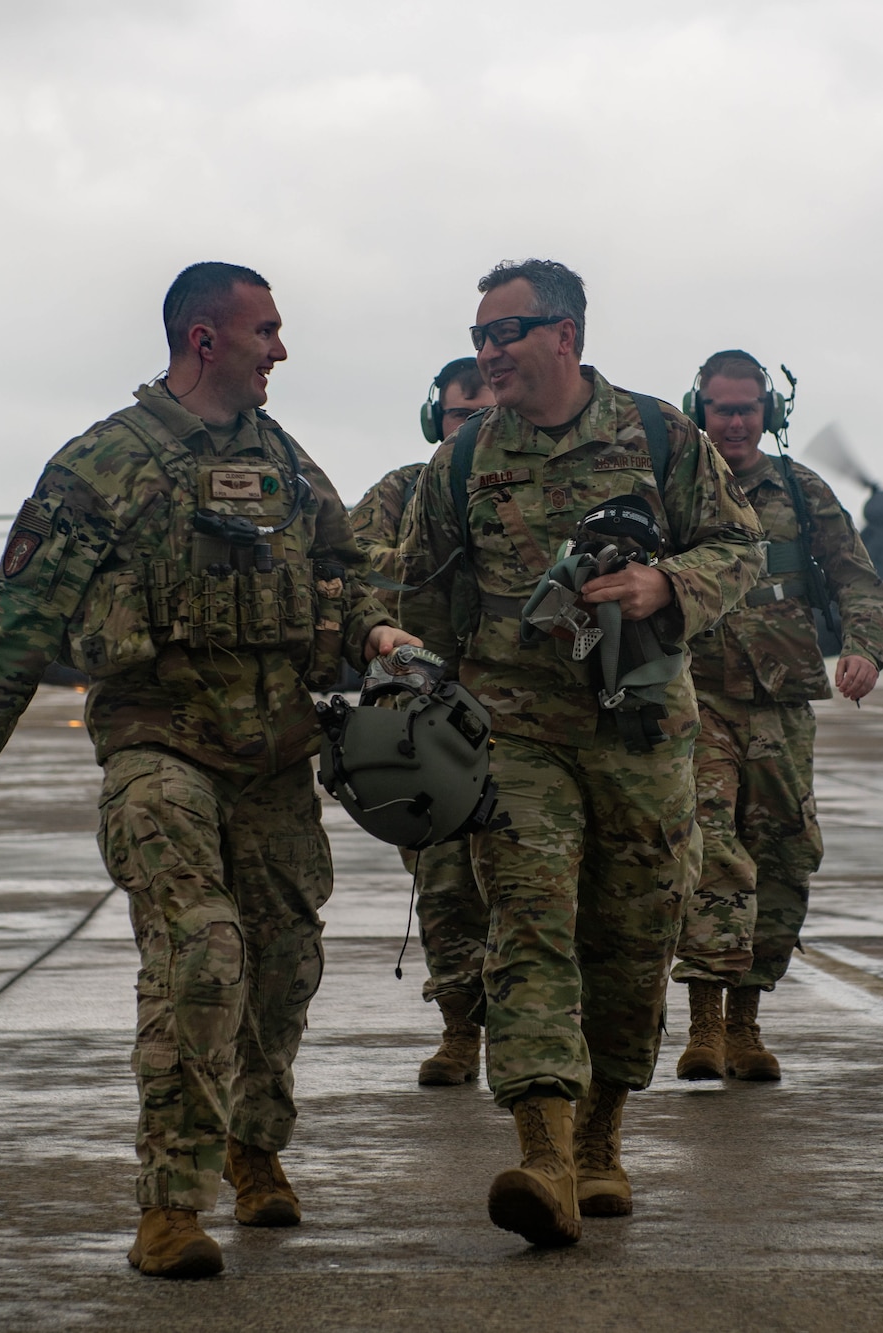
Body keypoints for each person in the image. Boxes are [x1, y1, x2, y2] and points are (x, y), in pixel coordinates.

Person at [0, 262, 419, 1280]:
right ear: (204, 339)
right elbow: (23, 604)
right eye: (264, 331)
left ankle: (255, 1146)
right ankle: (168, 1204)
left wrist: (374, 628)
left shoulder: (285, 465)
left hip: (276, 756)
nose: (280, 349)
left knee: (282, 966)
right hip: (160, 748)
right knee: (201, 953)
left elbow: (342, 567)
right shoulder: (104, 461)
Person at [396, 260, 761, 1246]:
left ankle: (602, 1135)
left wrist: (663, 583)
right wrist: (409, 707)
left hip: (640, 731)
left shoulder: (656, 436)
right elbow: (417, 604)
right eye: (478, 338)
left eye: (503, 334)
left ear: (562, 333)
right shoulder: (462, 462)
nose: (487, 354)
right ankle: (542, 1152)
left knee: (633, 937)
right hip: (514, 736)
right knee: (527, 922)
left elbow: (738, 547)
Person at [670, 350, 883, 1082]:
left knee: (784, 855)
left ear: (769, 413)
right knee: (709, 851)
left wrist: (865, 648)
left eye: (747, 408)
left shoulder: (802, 494)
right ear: (697, 409)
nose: (734, 422)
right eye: (721, 408)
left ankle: (747, 1022)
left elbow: (859, 580)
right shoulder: (673, 490)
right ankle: (703, 1022)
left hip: (782, 703)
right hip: (695, 698)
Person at [348, 357, 495, 1086]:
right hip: (431, 725)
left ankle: (537, 1040)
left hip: (523, 716)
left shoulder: (530, 497)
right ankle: (461, 1031)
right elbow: (345, 562)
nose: (467, 430)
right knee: (442, 885)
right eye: (457, 416)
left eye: (483, 414)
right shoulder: (403, 492)